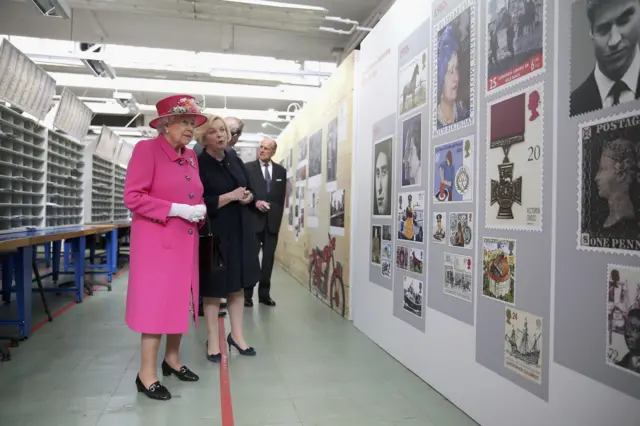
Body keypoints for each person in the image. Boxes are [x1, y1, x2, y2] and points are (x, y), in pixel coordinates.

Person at [123, 94, 208, 401]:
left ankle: (172, 360)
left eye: (193, 123)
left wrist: (198, 209)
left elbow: (191, 192)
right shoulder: (146, 150)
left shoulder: (190, 155)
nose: (190, 129)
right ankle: (146, 374)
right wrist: (176, 209)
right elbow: (133, 197)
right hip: (156, 244)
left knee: (180, 301)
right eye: (184, 122)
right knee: (156, 305)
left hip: (185, 241)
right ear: (165, 125)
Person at [196, 115, 261, 360]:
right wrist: (230, 197)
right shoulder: (199, 163)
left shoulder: (233, 158)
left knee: (238, 285)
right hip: (216, 233)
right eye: (213, 132)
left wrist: (248, 197)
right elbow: (200, 202)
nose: (220, 135)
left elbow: (249, 188)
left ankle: (237, 335)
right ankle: (213, 338)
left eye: (222, 130)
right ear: (203, 137)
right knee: (214, 288)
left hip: (240, 230)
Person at [570, 0, 640, 116]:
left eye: (624, 21)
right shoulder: (573, 105)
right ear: (591, 33)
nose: (614, 40)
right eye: (603, 29)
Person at [245, 138, 286, 307]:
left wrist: (277, 217)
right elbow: (245, 192)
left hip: (272, 222)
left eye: (266, 148)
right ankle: (247, 295)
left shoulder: (280, 171)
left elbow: (281, 199)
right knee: (251, 259)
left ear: (273, 152)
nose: (262, 150)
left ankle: (264, 294)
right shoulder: (248, 168)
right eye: (261, 147)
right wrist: (255, 202)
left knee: (268, 260)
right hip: (253, 219)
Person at [436, 24, 469, 129]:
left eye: (456, 68)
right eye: (450, 71)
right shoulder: (433, 123)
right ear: (440, 77)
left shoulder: (465, 114)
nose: (455, 78)